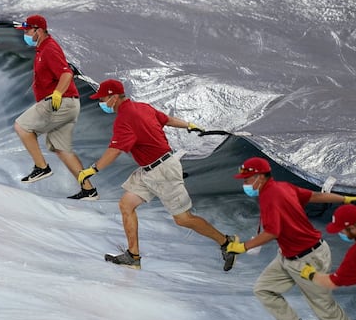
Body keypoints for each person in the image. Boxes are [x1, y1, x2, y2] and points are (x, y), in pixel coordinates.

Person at [76, 78, 236, 270]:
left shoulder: (124, 120)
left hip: (163, 171)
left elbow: (115, 151)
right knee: (126, 205)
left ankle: (226, 242)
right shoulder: (143, 107)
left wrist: (92, 169)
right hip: (148, 170)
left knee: (183, 219)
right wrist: (188, 125)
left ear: (113, 97)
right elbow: (166, 120)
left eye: (102, 99)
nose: (101, 103)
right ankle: (133, 256)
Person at [226, 156, 356, 320]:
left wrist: (242, 247)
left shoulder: (270, 197)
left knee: (324, 307)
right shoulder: (283, 187)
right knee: (264, 289)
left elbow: (273, 232)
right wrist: (344, 199)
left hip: (308, 259)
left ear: (261, 178)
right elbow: (314, 196)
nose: (245, 184)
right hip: (289, 255)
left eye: (247, 179)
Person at [14, 15, 98, 200]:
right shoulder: (43, 48)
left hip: (60, 102)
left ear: (39, 30)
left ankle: (41, 167)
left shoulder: (49, 49)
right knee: (62, 150)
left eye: (28, 31)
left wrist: (58, 93)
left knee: (22, 126)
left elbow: (67, 74)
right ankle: (89, 191)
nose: (25, 34)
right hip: (70, 103)